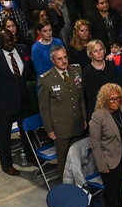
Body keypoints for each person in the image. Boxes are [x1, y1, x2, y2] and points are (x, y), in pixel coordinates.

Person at [0, 29, 35, 176]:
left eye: (11, 39)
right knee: (4, 136)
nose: (9, 43)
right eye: (5, 41)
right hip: (3, 102)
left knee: (26, 131)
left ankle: (31, 156)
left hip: (22, 99)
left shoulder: (23, 49)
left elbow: (27, 71)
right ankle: (6, 164)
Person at [37, 46, 86, 176]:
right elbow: (44, 107)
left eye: (65, 57)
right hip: (61, 128)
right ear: (52, 60)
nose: (64, 61)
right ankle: (65, 190)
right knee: (64, 163)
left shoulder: (76, 70)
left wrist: (84, 118)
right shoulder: (46, 80)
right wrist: (49, 129)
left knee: (79, 160)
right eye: (60, 59)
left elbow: (81, 98)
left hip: (77, 123)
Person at [89, 83, 122, 207]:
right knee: (112, 191)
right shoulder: (98, 116)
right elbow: (95, 143)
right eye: (111, 99)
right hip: (110, 160)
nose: (115, 102)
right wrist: (102, 165)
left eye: (118, 98)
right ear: (104, 100)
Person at [80, 38, 119, 115]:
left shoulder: (111, 65)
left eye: (100, 50)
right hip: (98, 109)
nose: (99, 53)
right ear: (91, 54)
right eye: (95, 51)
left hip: (114, 106)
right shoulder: (87, 71)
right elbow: (91, 96)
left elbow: (117, 86)